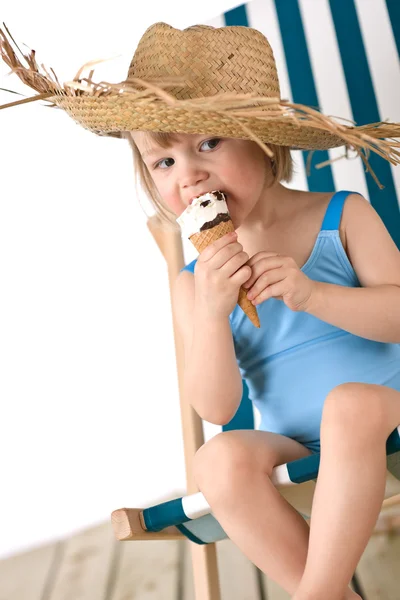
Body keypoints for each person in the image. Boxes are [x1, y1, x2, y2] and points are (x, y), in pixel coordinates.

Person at [1, 20, 400, 600]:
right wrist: (212, 314)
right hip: (291, 442)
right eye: (163, 163)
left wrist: (315, 295)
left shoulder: (342, 216)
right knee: (218, 462)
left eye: (207, 143)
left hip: (383, 412)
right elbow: (217, 404)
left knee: (346, 405)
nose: (188, 176)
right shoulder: (195, 284)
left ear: (264, 143)